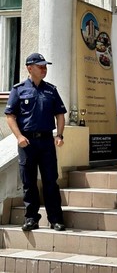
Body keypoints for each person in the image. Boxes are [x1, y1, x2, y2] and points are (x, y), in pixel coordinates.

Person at [4, 53, 67, 231]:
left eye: (45, 66)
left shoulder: (51, 90)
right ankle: (31, 218)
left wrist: (60, 135)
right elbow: (10, 116)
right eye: (40, 66)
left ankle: (55, 219)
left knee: (50, 181)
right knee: (29, 182)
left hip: (47, 141)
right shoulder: (18, 89)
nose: (44, 69)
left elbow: (60, 114)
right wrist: (19, 137)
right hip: (27, 143)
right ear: (29, 68)